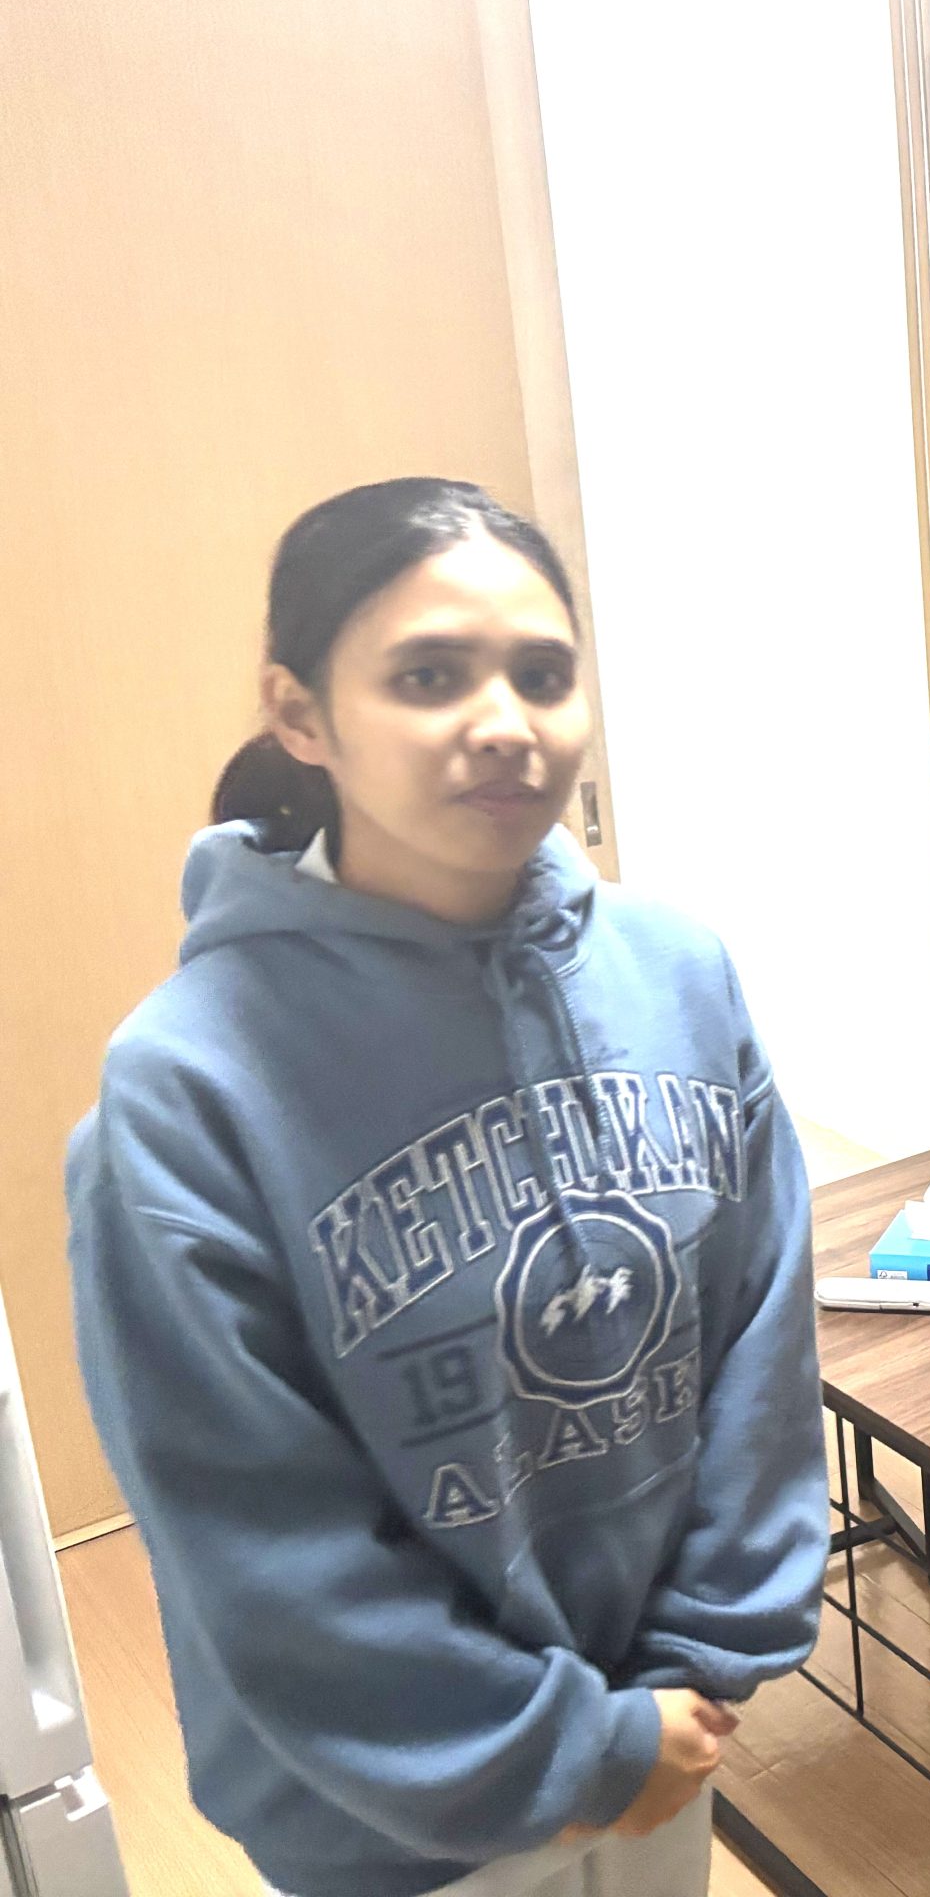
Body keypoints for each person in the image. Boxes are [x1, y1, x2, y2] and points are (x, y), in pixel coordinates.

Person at [66, 478, 830, 1897]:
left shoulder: (680, 973)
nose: (504, 722)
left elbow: (761, 1338)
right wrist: (570, 1751)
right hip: (396, 1812)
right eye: (428, 677)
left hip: (668, 1719)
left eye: (541, 674)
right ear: (300, 714)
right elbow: (256, 1535)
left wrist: (696, 1668)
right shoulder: (185, 1092)